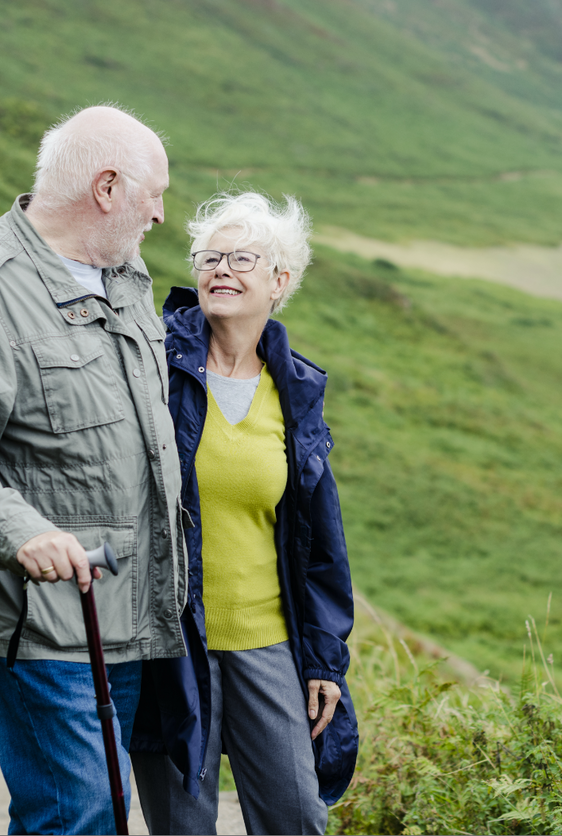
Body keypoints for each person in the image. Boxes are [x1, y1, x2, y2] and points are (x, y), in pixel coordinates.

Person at [0, 104, 185, 835]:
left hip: (126, 616)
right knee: (78, 815)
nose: (159, 213)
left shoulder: (125, 274)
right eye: (154, 193)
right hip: (39, 622)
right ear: (108, 188)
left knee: (97, 812)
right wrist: (20, 531)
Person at [130, 192, 357, 835]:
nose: (219, 268)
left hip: (267, 646)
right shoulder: (154, 366)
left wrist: (321, 661)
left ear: (280, 281)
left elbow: (320, 546)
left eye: (241, 258)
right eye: (209, 256)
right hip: (171, 646)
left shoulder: (294, 392)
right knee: (184, 829)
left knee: (296, 821)